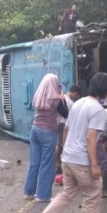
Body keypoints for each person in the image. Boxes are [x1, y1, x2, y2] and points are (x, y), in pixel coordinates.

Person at [27, 72, 107, 213]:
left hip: (68, 158)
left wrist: (65, 153)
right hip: (82, 160)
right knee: (92, 196)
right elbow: (92, 138)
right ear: (105, 90)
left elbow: (66, 130)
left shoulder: (78, 104)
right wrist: (95, 165)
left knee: (66, 194)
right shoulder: (98, 109)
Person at [23, 73, 68, 202]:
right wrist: (62, 98)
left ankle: (28, 192)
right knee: (47, 164)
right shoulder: (56, 99)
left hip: (35, 130)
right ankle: (43, 195)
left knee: (34, 162)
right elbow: (66, 113)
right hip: (48, 132)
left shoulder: (39, 96)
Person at [55, 85, 81, 174]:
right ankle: (56, 165)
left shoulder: (63, 97)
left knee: (59, 144)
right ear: (75, 93)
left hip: (58, 123)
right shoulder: (71, 103)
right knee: (60, 145)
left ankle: (57, 165)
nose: (76, 98)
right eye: (77, 96)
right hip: (64, 124)